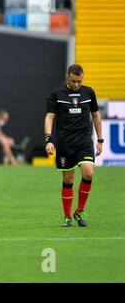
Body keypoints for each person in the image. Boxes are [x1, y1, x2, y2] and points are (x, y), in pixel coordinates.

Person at [44, 64, 103, 227]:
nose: (77, 85)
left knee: (88, 173)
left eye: (80, 81)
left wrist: (100, 140)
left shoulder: (89, 92)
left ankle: (80, 211)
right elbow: (49, 117)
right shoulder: (57, 94)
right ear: (67, 77)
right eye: (74, 81)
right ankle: (68, 216)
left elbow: (96, 116)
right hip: (65, 143)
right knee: (68, 179)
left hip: (84, 141)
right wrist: (48, 139)